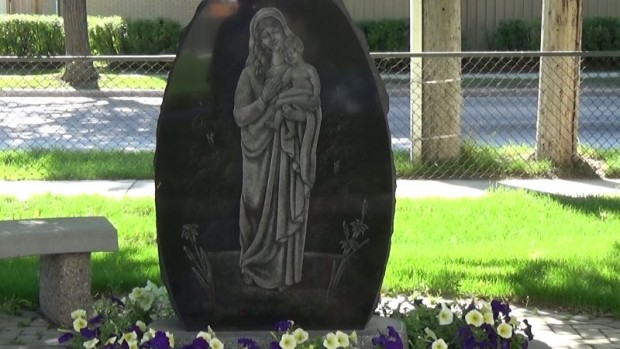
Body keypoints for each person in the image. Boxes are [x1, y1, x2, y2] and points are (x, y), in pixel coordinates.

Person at [233, 7, 322, 291]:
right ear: (257, 42)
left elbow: (312, 107)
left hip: (287, 152)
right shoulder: (250, 75)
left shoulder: (299, 71)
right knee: (253, 203)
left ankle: (283, 276)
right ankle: (252, 263)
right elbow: (240, 116)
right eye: (264, 35)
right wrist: (265, 101)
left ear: (285, 32)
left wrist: (298, 117)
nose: (271, 38)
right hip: (256, 152)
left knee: (285, 206)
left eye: (275, 31)